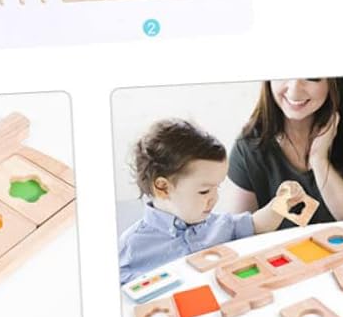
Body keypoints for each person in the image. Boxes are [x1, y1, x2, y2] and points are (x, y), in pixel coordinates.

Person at [118, 118, 293, 282]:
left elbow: (256, 224)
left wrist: (281, 203)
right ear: (163, 188)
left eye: (217, 187)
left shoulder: (219, 225)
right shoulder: (131, 248)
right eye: (204, 191)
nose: (215, 198)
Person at [218, 78, 343, 226]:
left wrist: (319, 160)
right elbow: (239, 234)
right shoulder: (250, 147)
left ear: (334, 81)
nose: (294, 91)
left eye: (310, 77)